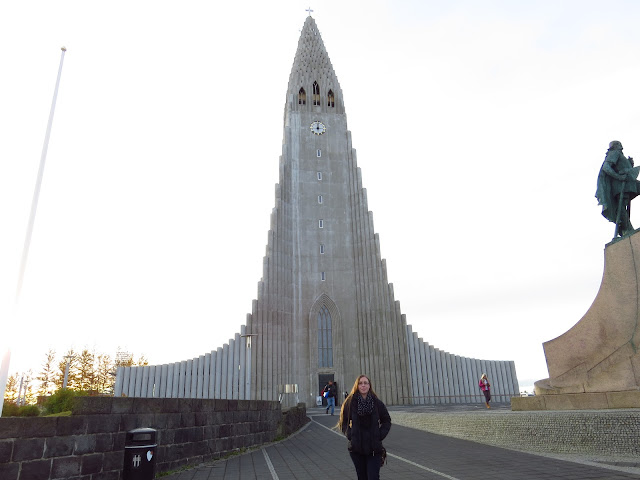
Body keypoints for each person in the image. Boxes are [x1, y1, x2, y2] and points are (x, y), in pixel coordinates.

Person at [338, 375, 391, 480]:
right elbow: (343, 422)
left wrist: (379, 435)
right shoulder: (350, 403)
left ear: (369, 385)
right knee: (362, 477)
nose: (363, 385)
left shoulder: (377, 403)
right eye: (360, 383)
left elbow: (386, 420)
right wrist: (351, 435)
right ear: (357, 385)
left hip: (374, 448)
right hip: (357, 448)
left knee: (373, 477)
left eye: (365, 383)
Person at [596, 140, 640, 237]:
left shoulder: (619, 155)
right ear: (617, 146)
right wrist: (619, 177)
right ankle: (626, 228)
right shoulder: (614, 153)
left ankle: (626, 228)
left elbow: (620, 167)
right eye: (619, 144)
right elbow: (606, 167)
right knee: (621, 207)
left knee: (622, 207)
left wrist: (630, 164)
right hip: (620, 184)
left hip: (628, 182)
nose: (621, 146)